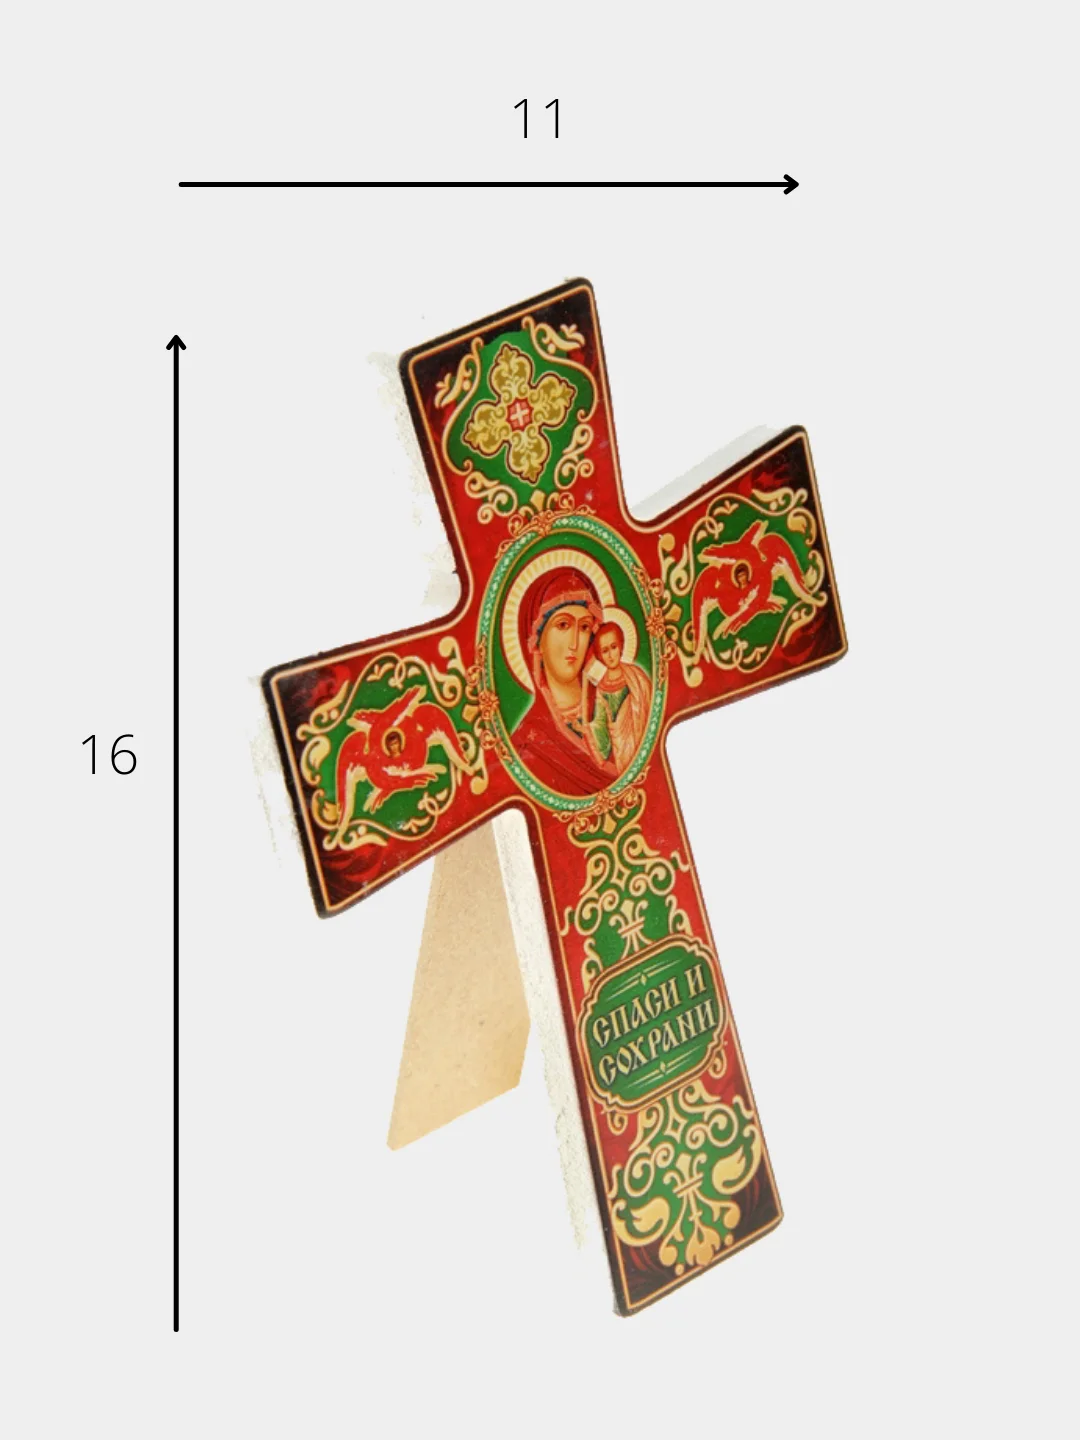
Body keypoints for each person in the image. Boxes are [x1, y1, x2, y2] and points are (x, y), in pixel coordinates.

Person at [510, 566, 618, 795]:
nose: (574, 643)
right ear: (537, 641)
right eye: (563, 625)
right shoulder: (527, 743)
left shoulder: (614, 697)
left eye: (584, 627)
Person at [581, 618, 652, 775]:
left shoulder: (637, 676)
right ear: (600, 656)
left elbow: (650, 706)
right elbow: (600, 723)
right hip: (621, 749)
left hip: (643, 741)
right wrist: (586, 729)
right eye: (605, 651)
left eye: (613, 647)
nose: (610, 655)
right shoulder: (602, 687)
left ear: (621, 646)